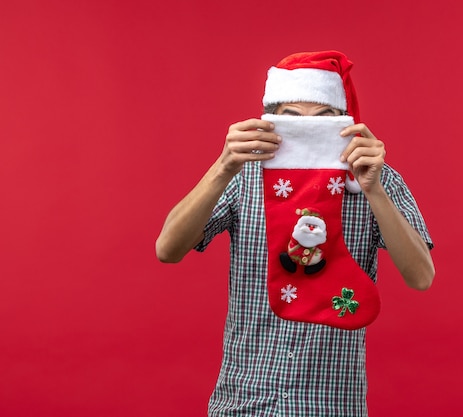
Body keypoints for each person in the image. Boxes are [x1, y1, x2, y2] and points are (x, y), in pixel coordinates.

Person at [156, 50, 435, 416]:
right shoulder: (244, 175)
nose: (307, 128)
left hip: (332, 405)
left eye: (323, 118)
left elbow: (421, 276)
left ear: (345, 122)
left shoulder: (374, 179)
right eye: (292, 119)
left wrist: (374, 190)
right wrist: (223, 167)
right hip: (244, 401)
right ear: (270, 120)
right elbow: (168, 248)